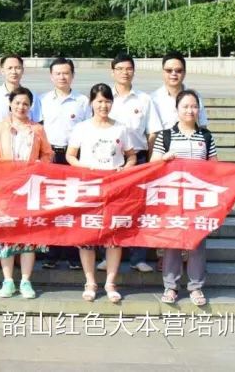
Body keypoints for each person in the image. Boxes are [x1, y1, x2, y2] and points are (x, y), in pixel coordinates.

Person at [67, 83, 137, 304]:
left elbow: (131, 156)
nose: (103, 105)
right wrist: (85, 168)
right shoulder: (82, 128)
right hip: (89, 188)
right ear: (91, 103)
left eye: (107, 101)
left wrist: (125, 169)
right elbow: (70, 155)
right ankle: (90, 282)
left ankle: (110, 283)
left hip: (115, 189)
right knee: (87, 235)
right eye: (99, 101)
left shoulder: (121, 128)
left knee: (114, 236)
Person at [0, 86, 52, 299]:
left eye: (25, 104)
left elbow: (47, 153)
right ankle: (8, 280)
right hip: (5, 188)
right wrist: (5, 170)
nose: (21, 107)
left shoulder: (37, 129)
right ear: (10, 104)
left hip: (30, 188)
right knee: (7, 233)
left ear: (31, 107)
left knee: (28, 235)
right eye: (17, 103)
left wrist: (40, 165)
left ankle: (26, 280)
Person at [152, 89, 217, 308]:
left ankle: (196, 286)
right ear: (177, 109)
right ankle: (171, 286)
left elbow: (215, 167)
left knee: (196, 242)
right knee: (172, 241)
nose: (190, 110)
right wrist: (165, 158)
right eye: (185, 106)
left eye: (194, 106)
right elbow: (152, 165)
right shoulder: (166, 136)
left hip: (198, 199)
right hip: (172, 198)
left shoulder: (206, 136)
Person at [107, 52, 158, 274]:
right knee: (111, 209)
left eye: (128, 68)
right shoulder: (104, 97)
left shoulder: (144, 99)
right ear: (112, 72)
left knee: (139, 209)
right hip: (110, 162)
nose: (124, 73)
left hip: (139, 160)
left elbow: (153, 132)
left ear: (134, 71)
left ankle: (138, 258)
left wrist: (148, 160)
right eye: (119, 69)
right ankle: (108, 254)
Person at [39, 57, 90, 271]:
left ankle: (72, 253)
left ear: (73, 75)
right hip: (50, 156)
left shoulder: (82, 101)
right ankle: (52, 252)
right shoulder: (42, 100)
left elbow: (88, 129)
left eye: (66, 73)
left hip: (73, 157)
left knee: (73, 204)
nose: (62, 77)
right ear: (51, 76)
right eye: (58, 73)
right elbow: (37, 128)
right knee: (51, 204)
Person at [149, 52, 209, 148]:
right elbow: (152, 134)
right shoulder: (153, 99)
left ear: (184, 73)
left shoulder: (195, 96)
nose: (173, 74)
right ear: (163, 72)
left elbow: (202, 125)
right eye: (169, 70)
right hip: (164, 150)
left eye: (178, 70)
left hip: (192, 149)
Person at [0, 54, 41, 141]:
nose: (14, 72)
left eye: (17, 68)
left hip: (24, 145)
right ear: (2, 71)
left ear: (23, 70)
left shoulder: (33, 96)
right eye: (9, 68)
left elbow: (37, 124)